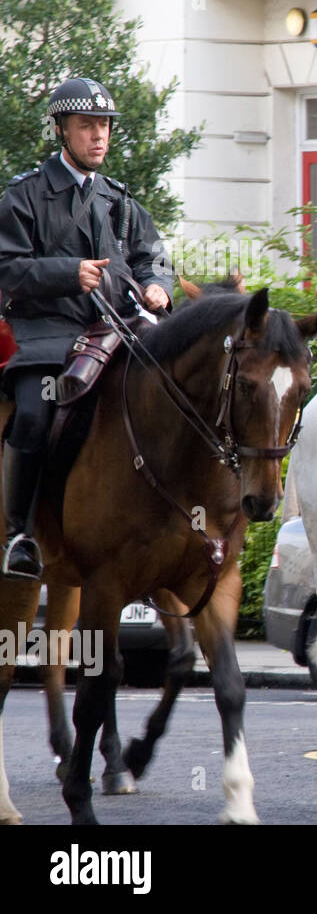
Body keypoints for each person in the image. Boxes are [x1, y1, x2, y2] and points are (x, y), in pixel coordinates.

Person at [0, 77, 173, 579]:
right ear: (61, 130)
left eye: (105, 126)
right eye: (87, 126)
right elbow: (7, 268)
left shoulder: (119, 199)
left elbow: (153, 256)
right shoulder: (24, 197)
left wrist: (158, 285)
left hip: (114, 331)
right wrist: (66, 273)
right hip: (46, 335)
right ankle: (19, 536)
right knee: (33, 413)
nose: (99, 135)